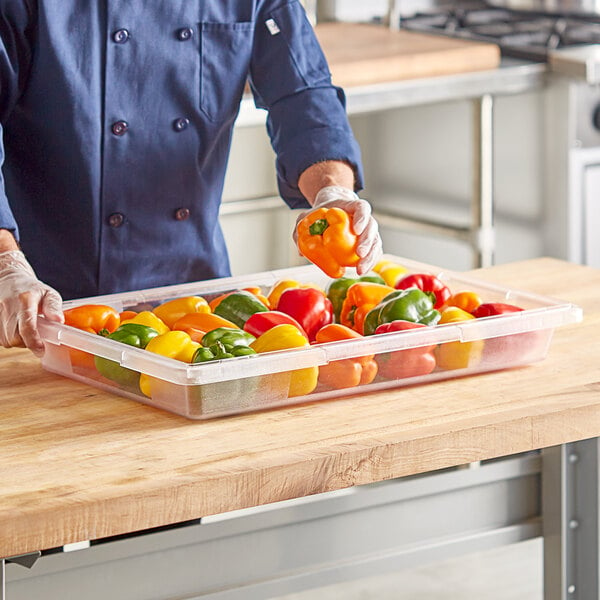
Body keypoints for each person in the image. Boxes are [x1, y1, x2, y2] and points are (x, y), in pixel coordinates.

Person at [0, 1, 382, 357]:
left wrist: (332, 190)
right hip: (42, 309)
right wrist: (6, 264)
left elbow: (302, 92)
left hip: (200, 307)